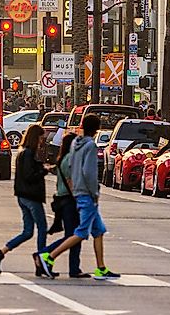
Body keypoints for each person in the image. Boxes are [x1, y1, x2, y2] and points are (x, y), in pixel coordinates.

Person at [37, 114, 118, 280]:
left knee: (98, 231)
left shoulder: (75, 143)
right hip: (87, 194)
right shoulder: (90, 146)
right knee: (80, 232)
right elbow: (89, 172)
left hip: (78, 191)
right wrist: (94, 192)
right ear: (97, 129)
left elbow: (72, 166)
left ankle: (101, 268)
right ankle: (49, 256)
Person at [0, 124, 49, 274]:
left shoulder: (23, 152)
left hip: (23, 195)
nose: (42, 142)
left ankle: (0, 253)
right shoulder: (28, 154)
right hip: (31, 196)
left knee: (28, 231)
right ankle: (41, 260)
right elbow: (29, 175)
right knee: (42, 227)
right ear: (36, 138)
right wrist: (43, 170)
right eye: (41, 138)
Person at [43, 132, 87, 278]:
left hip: (64, 199)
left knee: (74, 236)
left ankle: (74, 268)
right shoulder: (70, 159)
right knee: (73, 236)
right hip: (70, 200)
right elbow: (71, 181)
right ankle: (44, 254)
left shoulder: (63, 158)